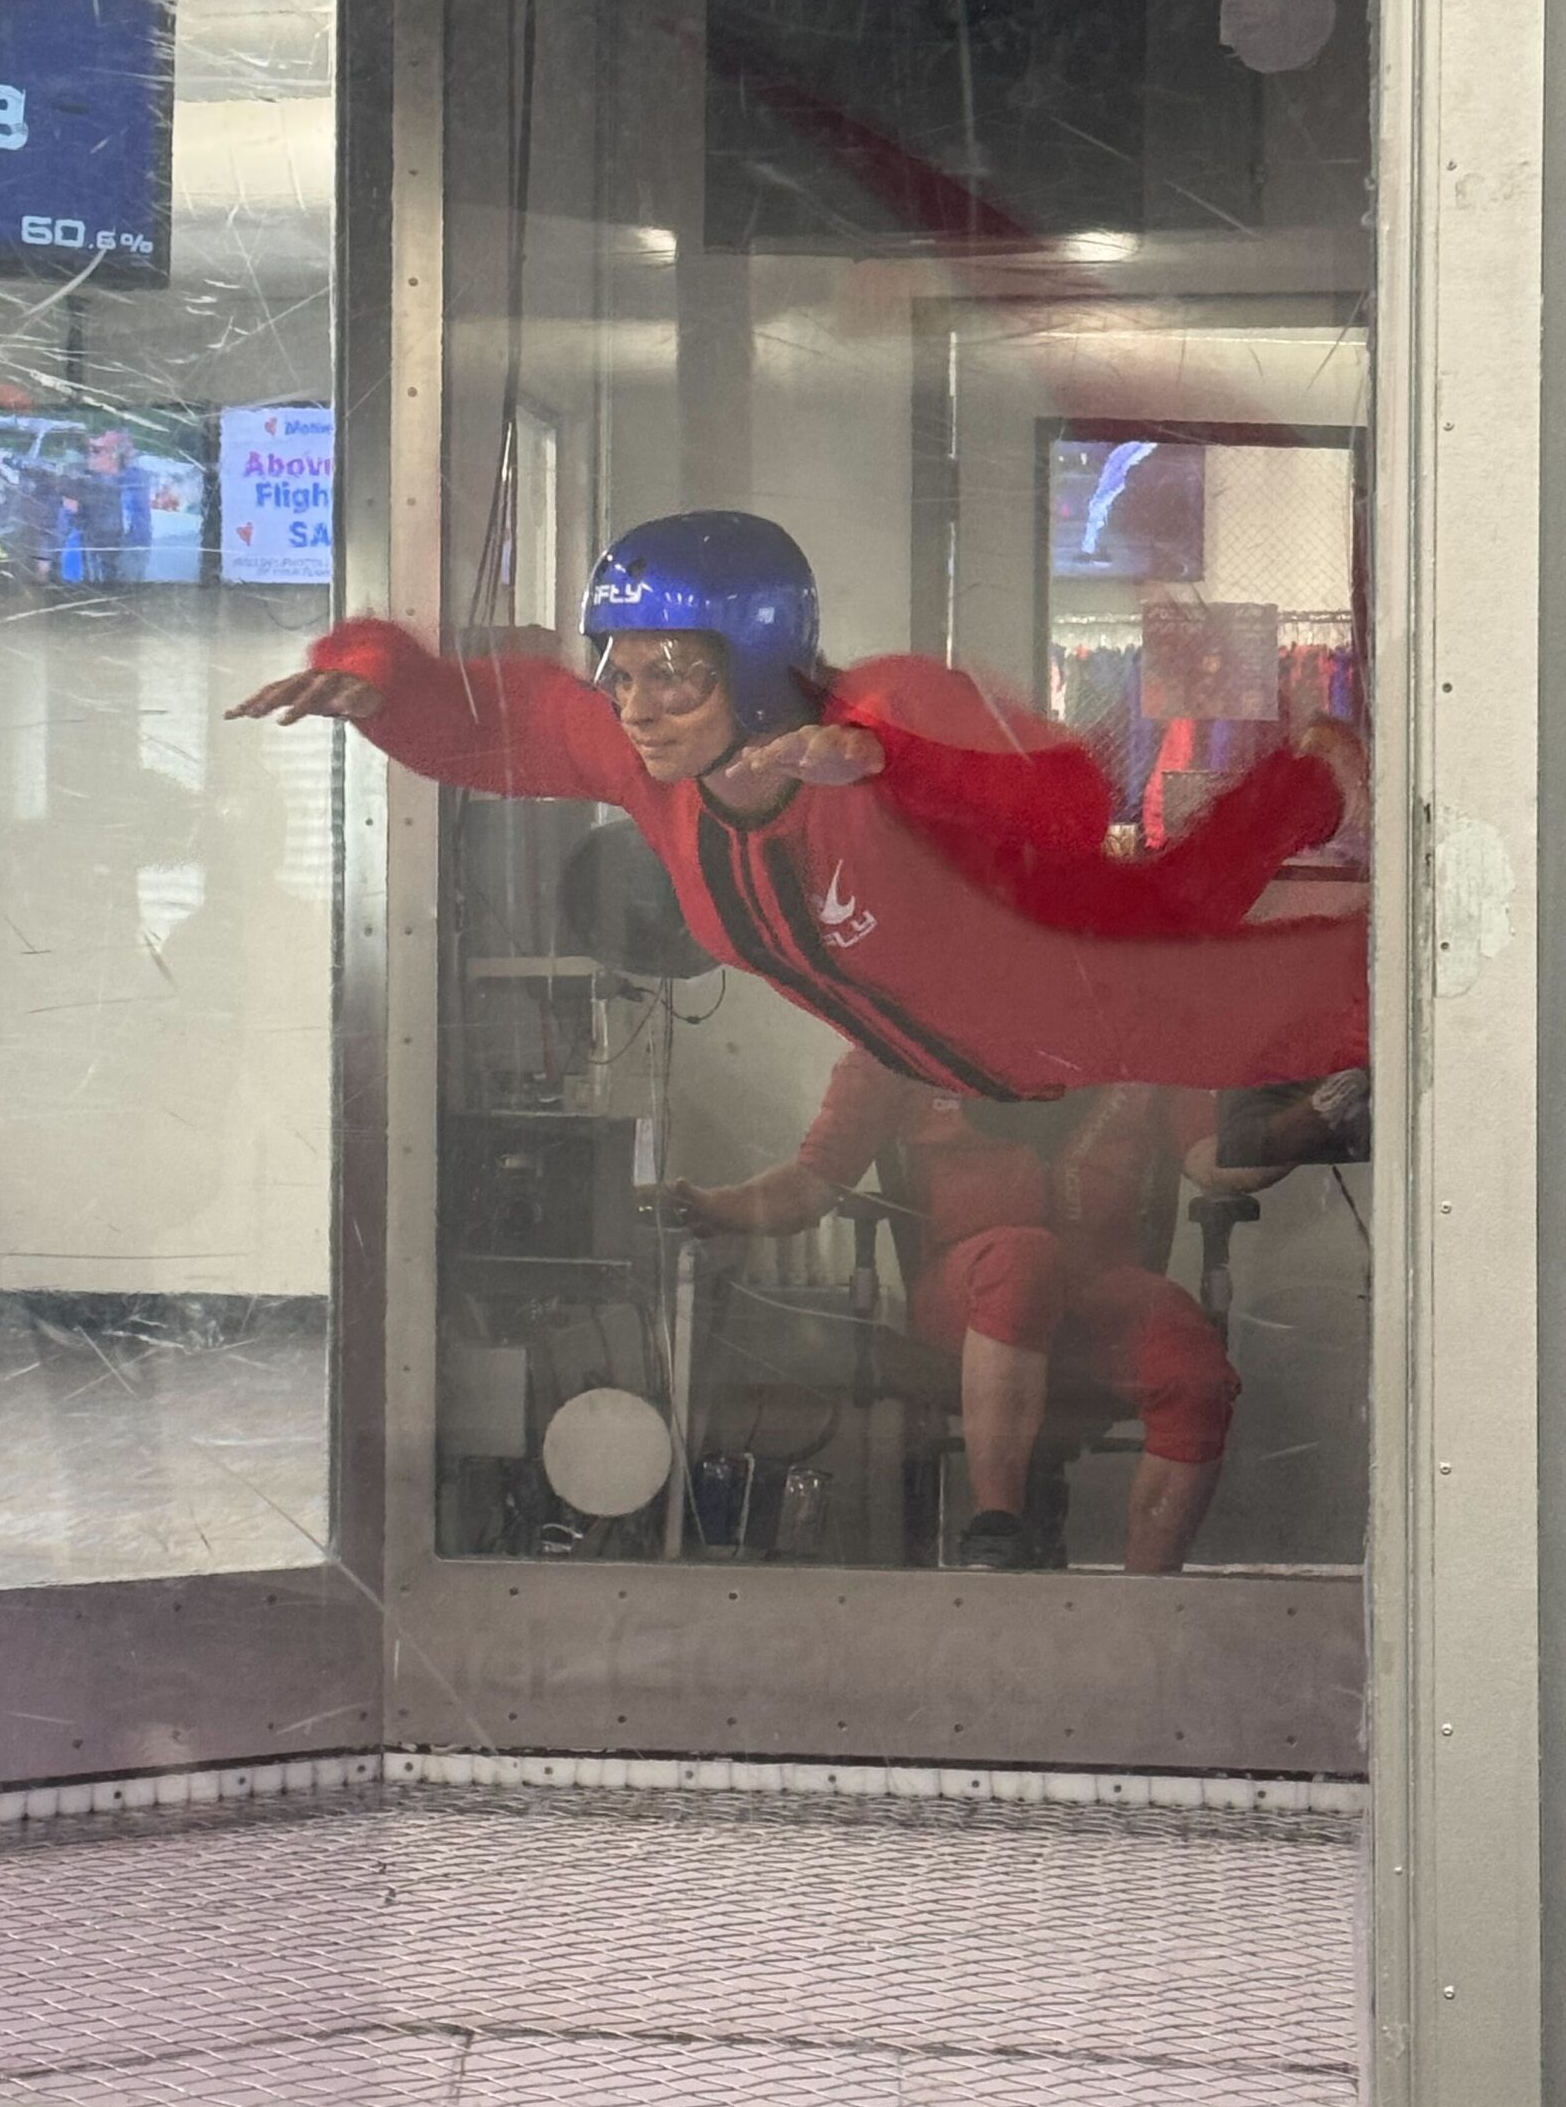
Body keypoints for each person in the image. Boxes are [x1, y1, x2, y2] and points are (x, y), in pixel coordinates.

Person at [227, 509, 1367, 1094]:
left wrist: (887, 768)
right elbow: (499, 723)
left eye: (674, 671)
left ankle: (1314, 775)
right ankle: (1312, 775)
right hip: (993, 1067)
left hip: (1099, 998)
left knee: (1345, 983)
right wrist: (373, 673)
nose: (638, 707)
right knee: (1183, 900)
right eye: (621, 670)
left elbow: (1069, 800)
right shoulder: (649, 769)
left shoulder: (880, 708)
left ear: (757, 660)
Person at [665, 1051, 1282, 1573]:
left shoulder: (1140, 1038)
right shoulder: (896, 1035)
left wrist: (1312, 1126)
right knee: (1023, 1258)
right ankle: (997, 1528)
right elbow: (809, 1186)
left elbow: (1214, 1160)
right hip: (964, 1296)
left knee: (1193, 1368)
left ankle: (1151, 1605)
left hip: (1102, 1290)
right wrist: (714, 1204)